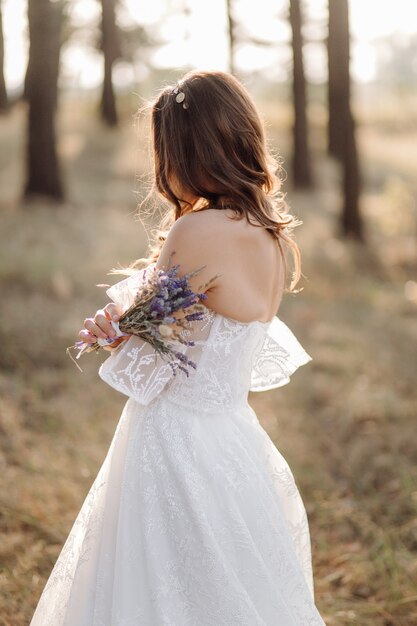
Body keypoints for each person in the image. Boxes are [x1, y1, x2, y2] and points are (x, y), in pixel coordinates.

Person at [30, 70, 326, 625]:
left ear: (187, 151)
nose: (160, 170)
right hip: (235, 442)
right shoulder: (271, 238)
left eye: (163, 152)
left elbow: (150, 359)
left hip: (175, 442)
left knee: (160, 590)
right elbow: (195, 331)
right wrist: (132, 321)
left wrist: (114, 332)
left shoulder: (196, 231)